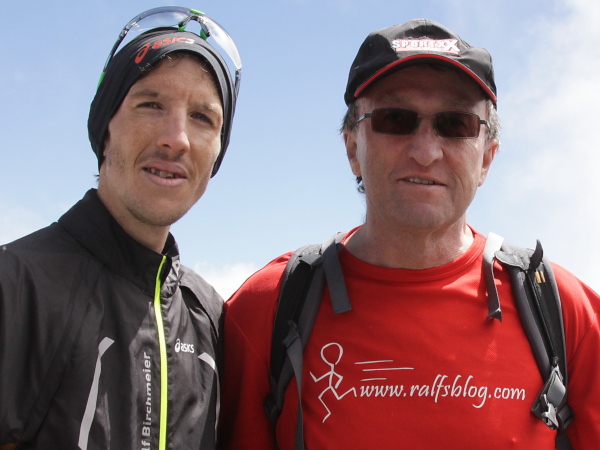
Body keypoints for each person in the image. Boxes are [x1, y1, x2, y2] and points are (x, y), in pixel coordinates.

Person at [219, 19, 600, 449]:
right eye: (395, 119)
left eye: (455, 124)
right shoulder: (266, 309)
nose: (425, 151)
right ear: (352, 147)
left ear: (486, 159)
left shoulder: (567, 314)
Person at [0, 7, 241, 450]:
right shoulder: (16, 285)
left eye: (202, 118)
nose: (177, 138)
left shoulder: (210, 315)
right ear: (105, 128)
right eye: (151, 105)